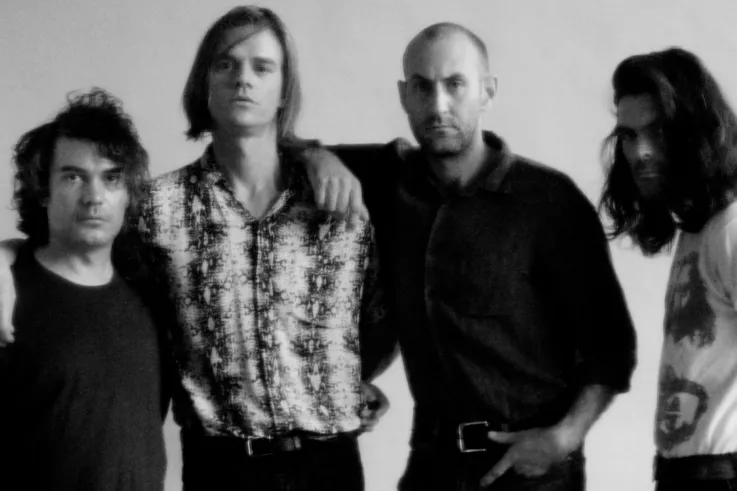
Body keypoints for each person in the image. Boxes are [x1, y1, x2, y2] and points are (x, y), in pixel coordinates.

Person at [0, 6, 393, 491]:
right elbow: (80, 259)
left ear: (284, 89)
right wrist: (7, 253)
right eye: (225, 64)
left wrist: (352, 376)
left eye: (262, 67)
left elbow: (385, 310)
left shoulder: (341, 197)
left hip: (331, 465)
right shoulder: (155, 210)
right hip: (220, 468)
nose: (243, 79)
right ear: (203, 83)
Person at [309, 23, 638, 490]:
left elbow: (611, 345)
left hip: (530, 471)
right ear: (404, 96)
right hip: (431, 466)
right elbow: (278, 146)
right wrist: (317, 158)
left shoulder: (548, 200)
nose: (438, 105)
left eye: (455, 84)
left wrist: (565, 437)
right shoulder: (389, 181)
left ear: (488, 91)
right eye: (422, 86)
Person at [0, 89, 169, 491]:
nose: (94, 197)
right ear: (43, 191)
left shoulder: (151, 293)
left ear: (128, 194)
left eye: (111, 178)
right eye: (73, 177)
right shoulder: (6, 298)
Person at [599, 47, 737, 491]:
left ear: (695, 133)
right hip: (688, 473)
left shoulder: (730, 228)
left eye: (657, 132)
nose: (640, 152)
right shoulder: (700, 228)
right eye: (628, 135)